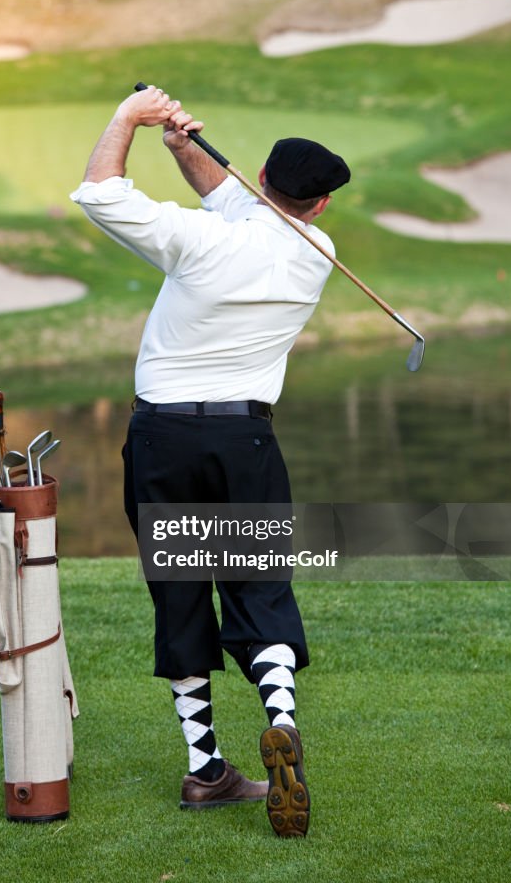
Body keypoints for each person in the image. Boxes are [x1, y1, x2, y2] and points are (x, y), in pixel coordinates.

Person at [70, 85, 351, 839]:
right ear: (319, 205)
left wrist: (130, 120)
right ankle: (281, 719)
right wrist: (181, 145)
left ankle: (206, 770)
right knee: (258, 588)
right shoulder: (317, 252)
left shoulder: (196, 239)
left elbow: (100, 193)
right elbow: (236, 204)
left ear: (264, 179)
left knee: (181, 592)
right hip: (246, 444)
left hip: (163, 441)